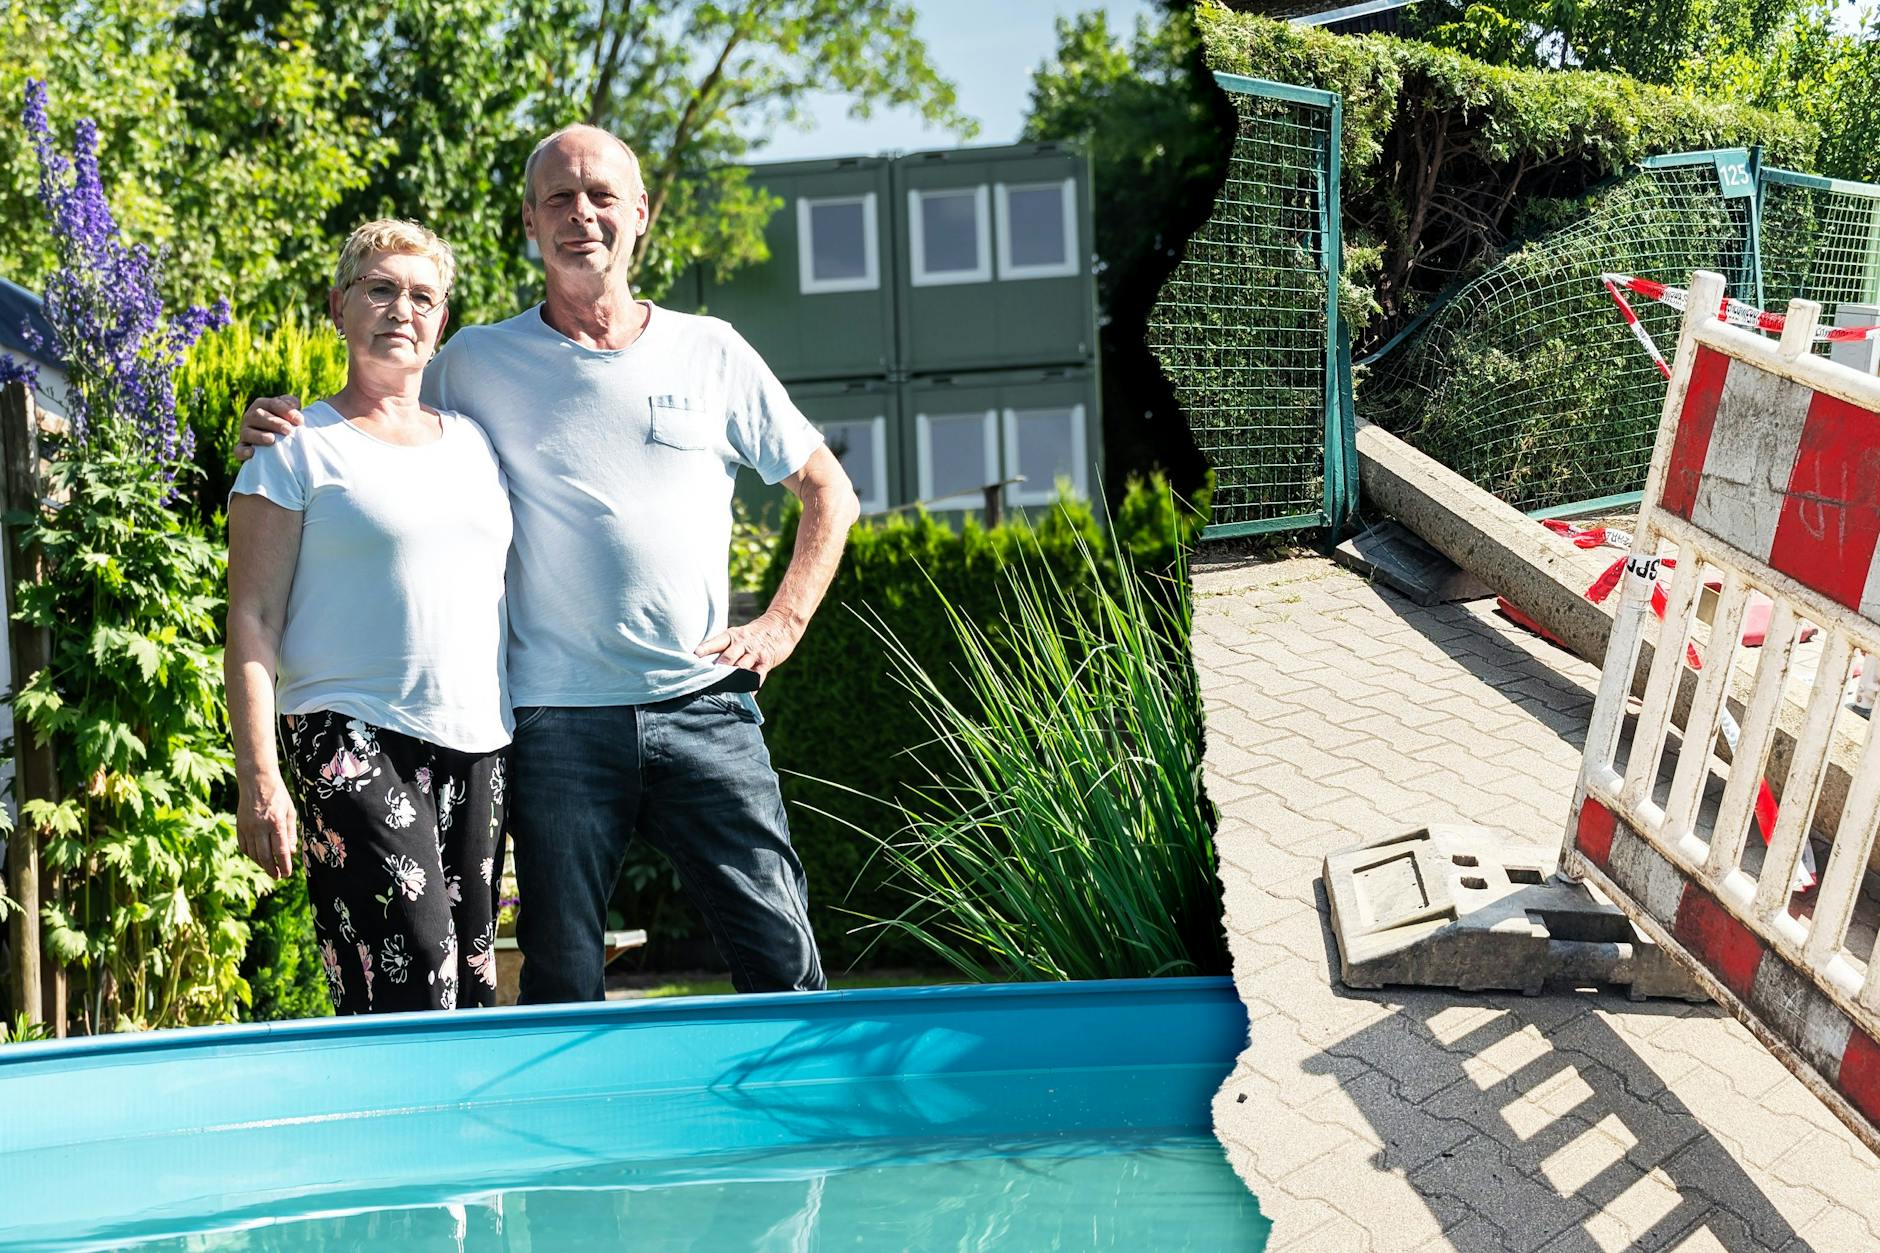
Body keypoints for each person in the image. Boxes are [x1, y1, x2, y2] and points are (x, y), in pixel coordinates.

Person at [241, 125, 859, 1004]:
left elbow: (828, 490)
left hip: (707, 706)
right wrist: (275, 425)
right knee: (562, 974)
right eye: (559, 199)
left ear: (640, 214)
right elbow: (376, 410)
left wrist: (783, 622)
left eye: (602, 195)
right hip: (556, 720)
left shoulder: (712, 350)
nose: (582, 215)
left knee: (781, 953)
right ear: (530, 221)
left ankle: (808, 1132)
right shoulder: (476, 363)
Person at [227, 219, 513, 1014]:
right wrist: (260, 780)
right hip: (345, 732)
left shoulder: (477, 444)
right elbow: (250, 617)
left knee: (472, 979)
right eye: (380, 289)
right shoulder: (291, 446)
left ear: (442, 323)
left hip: (479, 739)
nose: (401, 309)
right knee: (414, 963)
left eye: (422, 296)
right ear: (339, 306)